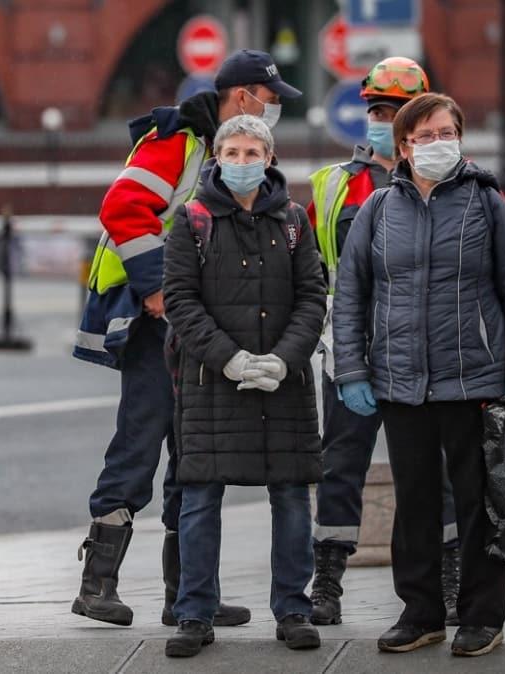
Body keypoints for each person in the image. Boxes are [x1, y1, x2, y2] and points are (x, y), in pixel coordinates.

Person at [71, 50, 301, 629]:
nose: (274, 113)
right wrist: (156, 293)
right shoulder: (178, 140)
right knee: (141, 443)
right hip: (155, 324)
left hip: (195, 324)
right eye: (271, 101)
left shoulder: (226, 149)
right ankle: (97, 585)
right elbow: (123, 208)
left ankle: (186, 593)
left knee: (193, 451)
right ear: (244, 95)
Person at [332, 93, 505, 657]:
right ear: (403, 146)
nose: (440, 145)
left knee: (479, 503)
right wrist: (352, 370)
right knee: (416, 502)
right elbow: (351, 294)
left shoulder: (485, 200)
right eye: (427, 136)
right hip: (401, 382)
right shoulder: (378, 208)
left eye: (449, 133)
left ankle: (481, 615)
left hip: (473, 378)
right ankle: (420, 612)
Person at [306, 57, 462, 627]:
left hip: (421, 350)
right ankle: (327, 579)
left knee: (432, 469)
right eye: (376, 110)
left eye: (395, 112)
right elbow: (311, 269)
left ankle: (446, 574)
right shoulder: (334, 186)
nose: (383, 120)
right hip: (351, 347)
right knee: (339, 464)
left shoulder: (452, 188)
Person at [162, 115, 326, 657]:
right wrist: (230, 359)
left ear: (269, 158)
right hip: (213, 381)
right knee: (201, 497)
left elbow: (312, 296)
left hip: (284, 381)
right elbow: (180, 302)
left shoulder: (295, 221)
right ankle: (194, 612)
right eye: (230, 152)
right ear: (216, 157)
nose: (240, 162)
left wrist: (282, 359)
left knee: (292, 494)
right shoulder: (192, 221)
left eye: (251, 152)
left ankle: (294, 608)